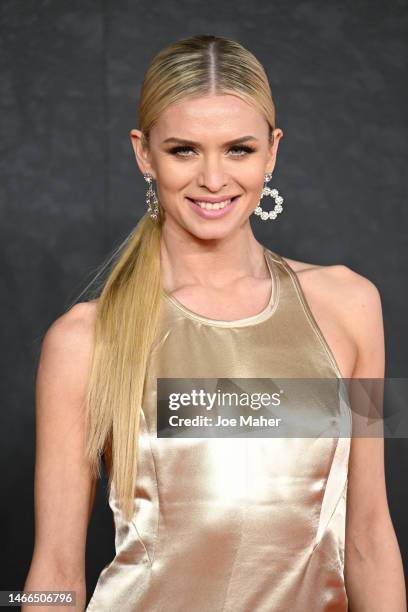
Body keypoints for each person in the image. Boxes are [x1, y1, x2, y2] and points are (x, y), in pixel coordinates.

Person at [23, 34, 406, 612]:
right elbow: (54, 572)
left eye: (238, 149)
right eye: (183, 150)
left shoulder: (352, 306)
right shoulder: (81, 340)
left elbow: (371, 536)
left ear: (272, 151)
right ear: (143, 153)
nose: (212, 179)